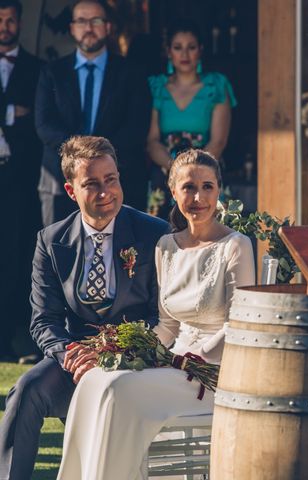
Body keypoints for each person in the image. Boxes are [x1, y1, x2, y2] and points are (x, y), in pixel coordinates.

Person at [56, 149, 255, 480]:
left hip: (215, 374)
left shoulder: (236, 245)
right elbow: (167, 325)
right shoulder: (166, 246)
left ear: (220, 190)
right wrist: (126, 351)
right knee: (95, 380)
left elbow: (239, 327)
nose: (198, 197)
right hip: (173, 363)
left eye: (207, 186)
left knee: (119, 390)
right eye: (188, 187)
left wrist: (188, 360)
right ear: (173, 191)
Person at [0, 135, 169, 480]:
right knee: (27, 390)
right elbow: (43, 319)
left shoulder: (155, 234)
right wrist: (70, 355)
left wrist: (111, 353)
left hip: (134, 360)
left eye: (111, 179)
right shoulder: (51, 240)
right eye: (92, 183)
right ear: (71, 190)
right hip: (73, 360)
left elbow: (160, 315)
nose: (106, 191)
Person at [35, 0, 151, 226]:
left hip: (117, 181)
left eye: (96, 21)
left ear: (108, 27)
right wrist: (80, 156)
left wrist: (100, 160)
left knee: (119, 256)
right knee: (62, 255)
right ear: (72, 28)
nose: (88, 27)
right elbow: (44, 125)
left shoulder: (132, 73)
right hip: (61, 182)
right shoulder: (51, 72)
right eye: (81, 21)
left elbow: (137, 127)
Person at [147, 18, 236, 218]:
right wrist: (177, 171)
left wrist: (195, 175)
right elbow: (151, 140)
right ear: (169, 51)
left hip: (207, 173)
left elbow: (219, 141)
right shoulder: (157, 86)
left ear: (200, 50)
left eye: (191, 47)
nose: (184, 54)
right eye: (178, 47)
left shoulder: (217, 85)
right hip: (165, 174)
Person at [0, 0, 44, 361]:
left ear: (20, 22)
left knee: (17, 256)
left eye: (10, 20)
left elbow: (40, 122)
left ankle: (17, 338)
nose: (4, 26)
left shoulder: (37, 69)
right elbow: (16, 113)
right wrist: (12, 111)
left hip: (20, 179)